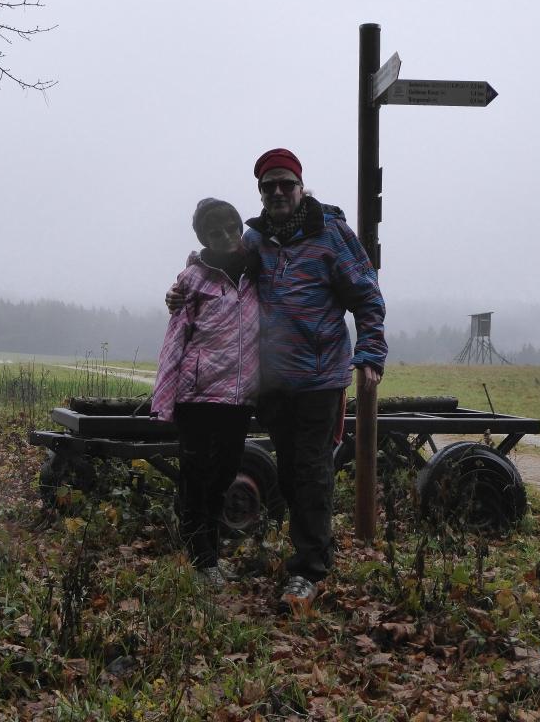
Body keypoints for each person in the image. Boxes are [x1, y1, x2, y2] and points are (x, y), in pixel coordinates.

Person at [168, 149, 387, 613]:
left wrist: (370, 353)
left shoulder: (331, 234)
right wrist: (182, 282)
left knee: (310, 472)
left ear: (301, 185)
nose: (278, 192)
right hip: (271, 384)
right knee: (288, 474)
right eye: (269, 187)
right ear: (261, 193)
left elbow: (366, 297)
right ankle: (301, 551)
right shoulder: (256, 239)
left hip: (320, 377)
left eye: (286, 183)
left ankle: (308, 570)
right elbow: (216, 262)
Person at [152, 198, 261, 589]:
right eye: (217, 233)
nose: (228, 237)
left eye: (232, 227)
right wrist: (163, 399)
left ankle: (207, 556)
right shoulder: (191, 282)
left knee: (225, 476)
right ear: (203, 238)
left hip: (239, 398)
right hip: (196, 397)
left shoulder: (256, 271)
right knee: (196, 478)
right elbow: (175, 339)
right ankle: (201, 562)